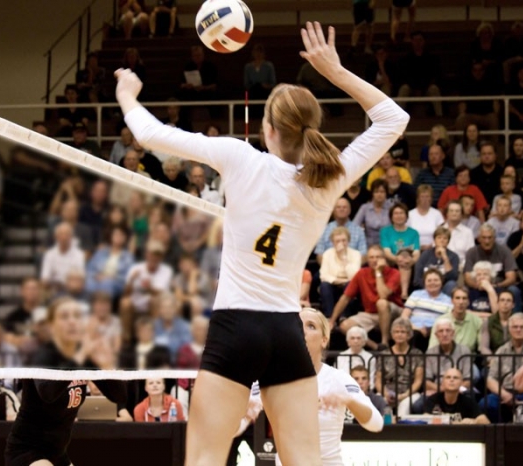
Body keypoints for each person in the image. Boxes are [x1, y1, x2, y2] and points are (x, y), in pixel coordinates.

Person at [115, 21, 408, 466]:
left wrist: (127, 95)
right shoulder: (329, 178)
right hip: (287, 332)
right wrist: (335, 72)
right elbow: (394, 119)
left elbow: (150, 135)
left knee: (204, 460)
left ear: (268, 129)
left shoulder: (240, 157)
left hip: (235, 327)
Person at [5, 297, 130, 466]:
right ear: (51, 325)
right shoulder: (43, 355)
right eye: (64, 316)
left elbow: (119, 396)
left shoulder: (85, 358)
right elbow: (48, 393)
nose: (72, 321)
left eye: (77, 316)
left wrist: (106, 366)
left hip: (57, 453)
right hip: (27, 449)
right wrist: (79, 357)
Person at [274, 309, 382, 466]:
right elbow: (238, 424)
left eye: (311, 326)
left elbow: (376, 424)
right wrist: (248, 411)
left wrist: (349, 401)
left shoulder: (338, 379)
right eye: (298, 325)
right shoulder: (273, 378)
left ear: (324, 340)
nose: (303, 330)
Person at [331, 245, 404, 350]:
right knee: (344, 325)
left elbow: (383, 295)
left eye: (378, 257)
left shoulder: (394, 273)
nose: (374, 260)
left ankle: (384, 342)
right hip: (371, 313)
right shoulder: (362, 273)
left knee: (381, 303)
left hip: (393, 312)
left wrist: (378, 272)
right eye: (371, 257)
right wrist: (332, 320)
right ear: (367, 260)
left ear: (384, 259)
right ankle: (376, 347)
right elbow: (345, 298)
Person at [481, 312, 523, 422]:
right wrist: (504, 394)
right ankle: (499, 430)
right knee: (485, 403)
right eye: (515, 327)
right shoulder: (502, 350)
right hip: (506, 391)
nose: (518, 330)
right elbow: (491, 379)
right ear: (509, 329)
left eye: (522, 327)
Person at [376, 318, 424, 417]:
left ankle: (401, 427)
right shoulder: (384, 354)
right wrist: (386, 394)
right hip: (387, 392)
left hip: (409, 393)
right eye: (396, 332)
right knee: (381, 404)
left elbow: (418, 381)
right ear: (392, 334)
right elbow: (378, 381)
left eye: (403, 332)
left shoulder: (417, 354)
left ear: (409, 335)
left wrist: (404, 395)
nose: (399, 334)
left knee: (404, 407)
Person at [402, 269, 453, 351]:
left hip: (435, 332)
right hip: (414, 329)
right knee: (414, 334)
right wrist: (416, 328)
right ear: (424, 283)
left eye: (436, 280)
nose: (432, 283)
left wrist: (432, 330)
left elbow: (449, 321)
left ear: (441, 282)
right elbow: (404, 316)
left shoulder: (448, 301)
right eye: (429, 280)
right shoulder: (416, 294)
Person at [319, 227, 362, 317]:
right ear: (333, 242)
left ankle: (344, 317)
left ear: (348, 241)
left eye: (344, 240)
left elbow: (354, 276)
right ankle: (329, 317)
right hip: (333, 284)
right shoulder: (327, 254)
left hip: (348, 284)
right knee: (324, 286)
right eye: (337, 241)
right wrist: (338, 280)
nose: (341, 243)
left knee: (349, 285)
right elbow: (323, 275)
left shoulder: (356, 254)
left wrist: (343, 257)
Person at [380, 202, 419, 299]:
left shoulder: (414, 233)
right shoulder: (385, 231)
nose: (399, 216)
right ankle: (403, 294)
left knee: (405, 258)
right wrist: (398, 259)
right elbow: (387, 252)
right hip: (391, 260)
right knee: (403, 258)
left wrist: (412, 261)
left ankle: (404, 293)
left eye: (401, 213)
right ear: (391, 217)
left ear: (406, 216)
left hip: (408, 262)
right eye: (396, 213)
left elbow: (416, 252)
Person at [423, 368, 489, 424]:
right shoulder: (433, 400)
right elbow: (425, 419)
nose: (451, 380)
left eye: (455, 378)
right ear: (442, 382)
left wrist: (474, 421)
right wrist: (450, 422)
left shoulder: (468, 402)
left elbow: (485, 421)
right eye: (448, 377)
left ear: (461, 383)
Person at [428, 286, 483, 352]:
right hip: (445, 357)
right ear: (452, 301)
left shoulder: (477, 321)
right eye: (457, 298)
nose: (461, 302)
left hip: (468, 357)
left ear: (468, 302)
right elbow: (432, 348)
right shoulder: (440, 321)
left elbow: (482, 347)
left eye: (464, 298)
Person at [315, 197, 367, 263]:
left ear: (349, 210)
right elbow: (319, 254)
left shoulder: (359, 230)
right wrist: (329, 266)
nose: (341, 209)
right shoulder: (324, 229)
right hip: (330, 266)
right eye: (338, 207)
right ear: (334, 211)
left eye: (344, 207)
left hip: (353, 266)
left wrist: (351, 267)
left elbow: (363, 255)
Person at [414, 227, 460, 294]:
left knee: (451, 284)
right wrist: (431, 287)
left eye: (445, 238)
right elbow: (417, 278)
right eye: (439, 237)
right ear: (434, 240)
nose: (442, 240)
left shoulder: (453, 256)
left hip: (444, 289)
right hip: (426, 287)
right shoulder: (425, 254)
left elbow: (453, 277)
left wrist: (445, 257)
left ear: (448, 241)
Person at [337, 326, 376, 390]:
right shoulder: (341, 356)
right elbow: (339, 377)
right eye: (352, 338)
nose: (355, 341)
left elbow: (371, 380)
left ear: (364, 341)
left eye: (359, 338)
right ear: (348, 342)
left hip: (364, 391)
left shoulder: (370, 357)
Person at [353, 179, 390, 247]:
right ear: (372, 193)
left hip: (388, 245)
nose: (379, 194)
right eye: (376, 192)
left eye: (382, 192)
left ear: (386, 193)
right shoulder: (365, 208)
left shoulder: (391, 208)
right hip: (368, 245)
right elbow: (355, 225)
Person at [408, 185, 444, 250]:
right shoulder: (410, 214)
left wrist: (432, 245)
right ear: (418, 198)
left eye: (427, 196)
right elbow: (406, 234)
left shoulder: (437, 214)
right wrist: (417, 246)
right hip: (413, 249)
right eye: (422, 196)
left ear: (431, 198)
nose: (425, 199)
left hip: (433, 249)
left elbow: (441, 234)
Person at [479, 290, 515, 356]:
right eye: (502, 300)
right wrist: (492, 359)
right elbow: (484, 347)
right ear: (498, 303)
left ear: (513, 305)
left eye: (508, 300)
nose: (505, 303)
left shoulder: (518, 321)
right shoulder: (488, 321)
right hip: (493, 357)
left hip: (514, 358)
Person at [442, 200, 475, 271]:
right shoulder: (440, 230)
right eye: (451, 211)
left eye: (457, 211)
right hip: (442, 267)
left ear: (461, 214)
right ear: (447, 213)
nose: (454, 213)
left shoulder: (467, 232)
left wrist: (462, 267)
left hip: (461, 268)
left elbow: (470, 255)